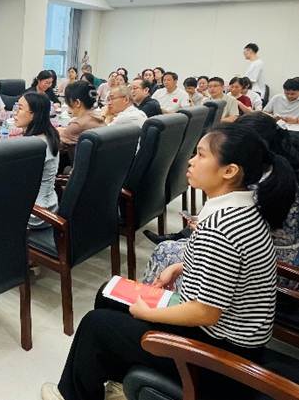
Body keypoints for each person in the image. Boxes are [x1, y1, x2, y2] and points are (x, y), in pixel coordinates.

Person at [41, 122, 297, 400]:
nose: (191, 161)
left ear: (229, 171)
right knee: (109, 293)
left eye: (201, 155)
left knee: (96, 325)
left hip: (218, 354)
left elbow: (205, 312)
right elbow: (228, 265)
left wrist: (147, 314)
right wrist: (181, 266)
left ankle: (71, 395)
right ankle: (116, 379)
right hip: (222, 332)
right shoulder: (243, 207)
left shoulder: (221, 227)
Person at [142, 112, 299, 287]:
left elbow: (205, 304)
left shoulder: (256, 190)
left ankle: (150, 299)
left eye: (201, 155)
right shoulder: (275, 173)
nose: (191, 161)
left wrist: (204, 230)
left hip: (269, 268)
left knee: (165, 250)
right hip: (267, 258)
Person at [13, 92, 60, 229]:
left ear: (33, 114)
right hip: (50, 206)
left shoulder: (33, 146)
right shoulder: (49, 134)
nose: (15, 113)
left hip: (35, 214)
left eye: (20, 108)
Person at [57, 81, 104, 167]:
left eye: (67, 101)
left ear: (77, 103)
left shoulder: (77, 125)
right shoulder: (99, 119)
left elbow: (56, 144)